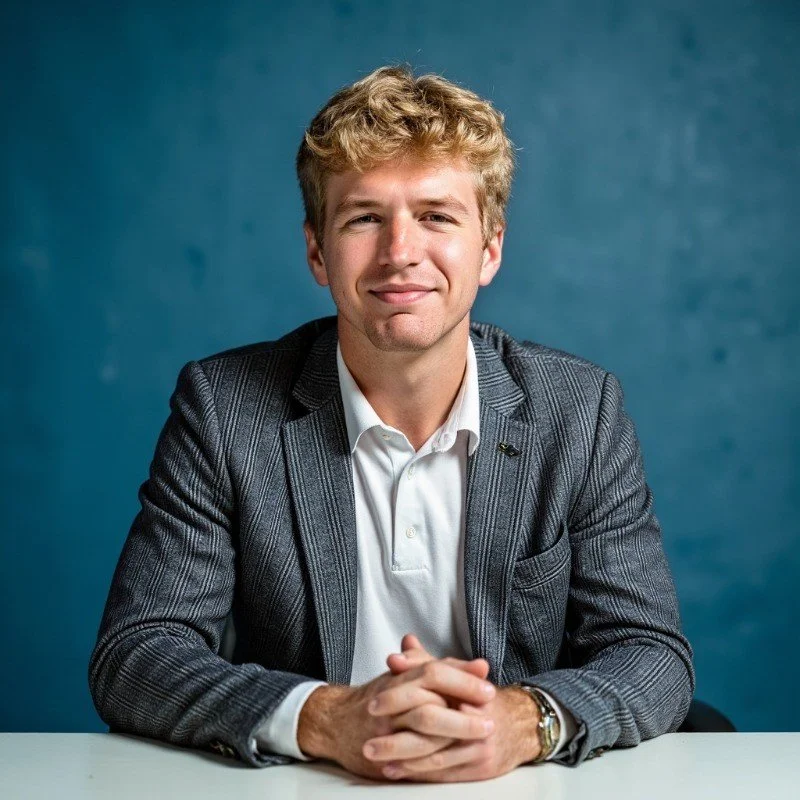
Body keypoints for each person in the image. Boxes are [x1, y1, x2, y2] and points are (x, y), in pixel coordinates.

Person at [89, 65, 694, 783]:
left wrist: (522, 721)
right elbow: (136, 653)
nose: (399, 251)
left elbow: (652, 653)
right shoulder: (224, 407)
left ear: (490, 248)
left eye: (437, 216)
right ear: (317, 250)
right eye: (364, 218)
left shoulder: (580, 410)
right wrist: (326, 718)